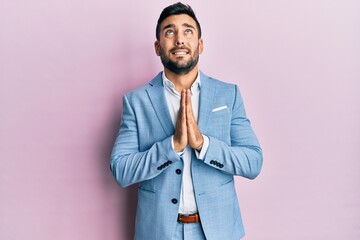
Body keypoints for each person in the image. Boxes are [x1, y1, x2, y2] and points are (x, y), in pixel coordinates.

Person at [110, 2, 263, 240]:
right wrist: (172, 147)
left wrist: (203, 144)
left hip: (219, 231)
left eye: (188, 31)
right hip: (159, 233)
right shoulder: (136, 101)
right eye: (169, 32)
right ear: (158, 47)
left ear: (200, 45)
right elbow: (121, 170)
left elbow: (253, 162)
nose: (179, 39)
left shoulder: (228, 95)